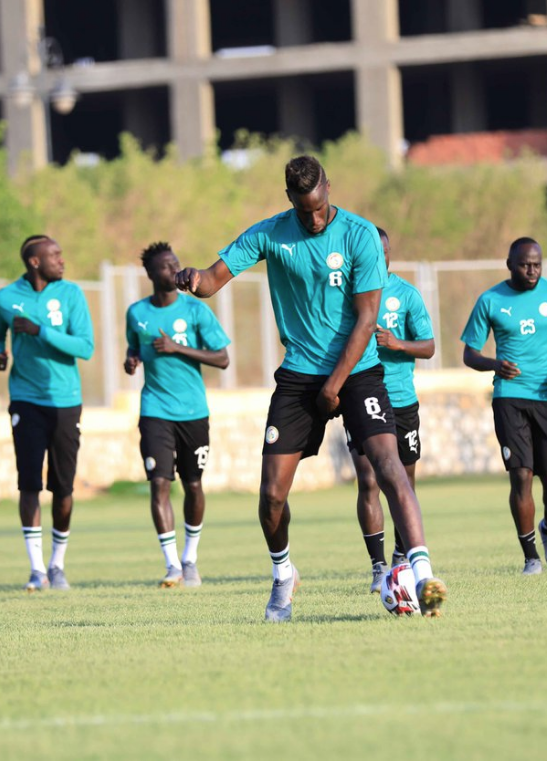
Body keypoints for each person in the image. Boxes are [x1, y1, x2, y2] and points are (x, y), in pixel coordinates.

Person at [174, 155, 447, 620]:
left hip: (357, 371)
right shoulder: (269, 233)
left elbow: (365, 321)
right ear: (290, 201)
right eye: (305, 212)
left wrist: (334, 386)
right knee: (272, 496)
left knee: (389, 466)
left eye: (320, 207)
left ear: (328, 188)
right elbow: (213, 280)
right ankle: (284, 575)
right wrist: (192, 279)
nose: (315, 218)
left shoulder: (360, 234)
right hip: (300, 374)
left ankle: (422, 575)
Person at [460, 237, 547, 575]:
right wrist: (493, 365)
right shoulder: (490, 300)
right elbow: (469, 353)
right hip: (509, 397)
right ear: (510, 265)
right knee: (521, 476)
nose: (532, 270)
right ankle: (530, 556)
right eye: (525, 264)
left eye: (537, 264)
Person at [0, 235, 94, 591]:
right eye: (55, 256)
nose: (62, 261)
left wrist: (40, 331)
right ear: (34, 262)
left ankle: (57, 564)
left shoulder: (72, 294)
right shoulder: (4, 298)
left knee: (63, 488)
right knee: (29, 482)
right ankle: (36, 569)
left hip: (66, 400)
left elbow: (85, 347)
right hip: (25, 399)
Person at [124, 242, 231, 588]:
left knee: (194, 485)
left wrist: (176, 347)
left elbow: (222, 358)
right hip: (155, 408)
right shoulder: (137, 312)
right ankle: (172, 566)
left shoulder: (195, 310)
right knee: (159, 483)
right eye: (166, 266)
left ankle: (190, 559)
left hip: (193, 412)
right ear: (151, 274)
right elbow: (134, 343)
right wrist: (132, 358)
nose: (175, 270)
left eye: (176, 264)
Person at [346, 228, 435, 594]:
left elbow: (429, 347)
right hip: (361, 397)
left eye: (383, 251)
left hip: (401, 400)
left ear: (389, 253)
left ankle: (403, 557)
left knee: (403, 484)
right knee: (368, 481)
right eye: (372, 252)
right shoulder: (349, 293)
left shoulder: (406, 294)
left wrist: (397, 344)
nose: (378, 258)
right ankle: (378, 565)